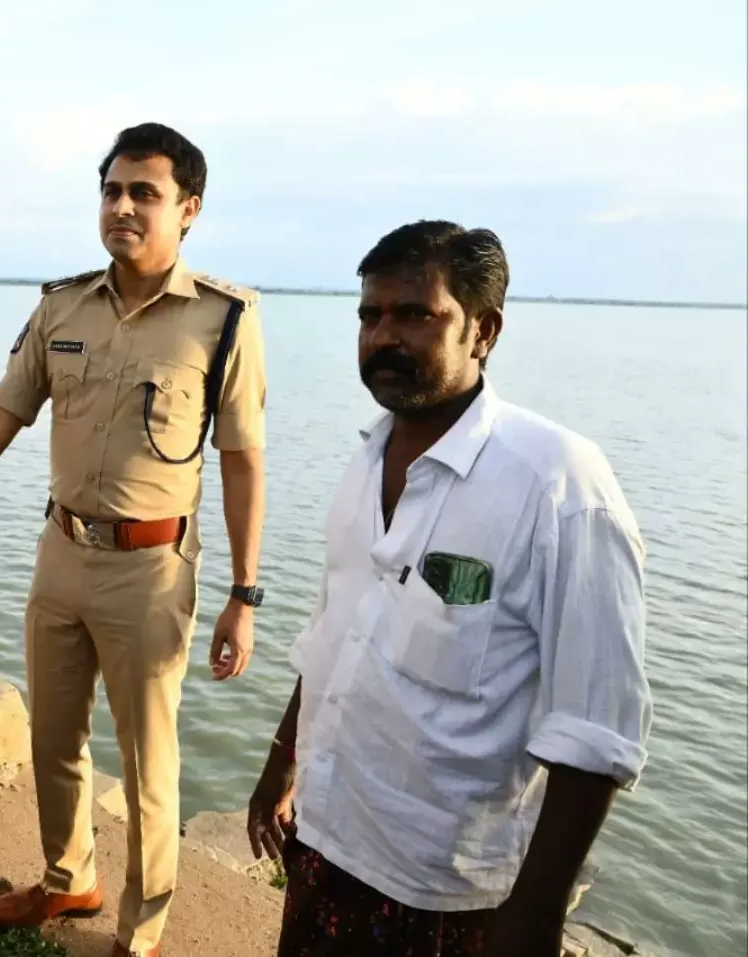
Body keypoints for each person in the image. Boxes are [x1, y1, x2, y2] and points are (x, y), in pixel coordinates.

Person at [0, 122, 267, 957]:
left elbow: (242, 463)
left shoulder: (223, 321)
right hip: (60, 552)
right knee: (53, 736)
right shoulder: (62, 306)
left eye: (144, 193)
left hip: (152, 569)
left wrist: (245, 594)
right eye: (112, 190)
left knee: (152, 767)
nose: (123, 206)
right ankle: (66, 878)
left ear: (188, 209)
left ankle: (142, 933)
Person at [246, 220, 653, 957]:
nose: (382, 337)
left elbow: (595, 729)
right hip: (328, 840)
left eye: (414, 314)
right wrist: (282, 763)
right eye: (369, 316)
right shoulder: (368, 458)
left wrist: (534, 914)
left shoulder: (558, 484)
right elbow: (341, 630)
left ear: (484, 330)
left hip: (446, 896)